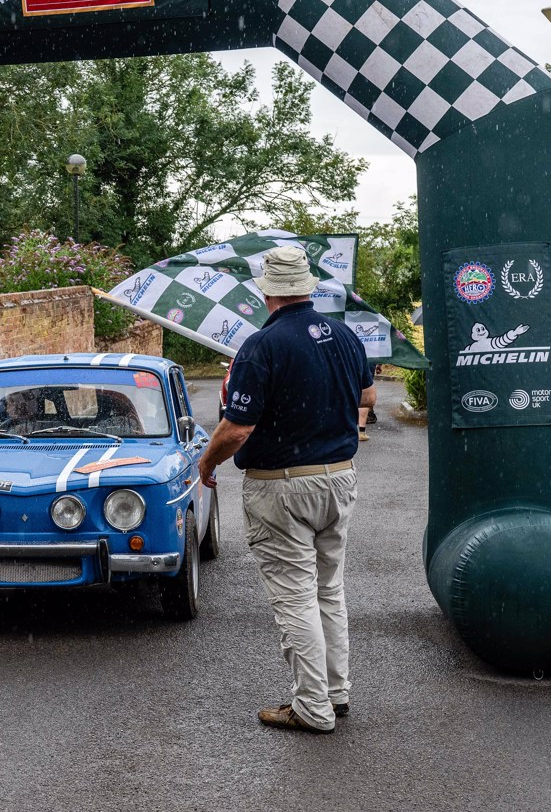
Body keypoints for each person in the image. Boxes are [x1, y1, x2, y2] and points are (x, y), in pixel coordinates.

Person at [197, 246, 374, 735]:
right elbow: (368, 394)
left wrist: (207, 463)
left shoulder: (262, 346)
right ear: (307, 288)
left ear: (266, 292)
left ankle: (312, 707)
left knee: (295, 597)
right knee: (328, 590)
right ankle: (335, 693)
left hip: (282, 486)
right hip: (338, 476)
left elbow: (237, 429)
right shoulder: (344, 335)